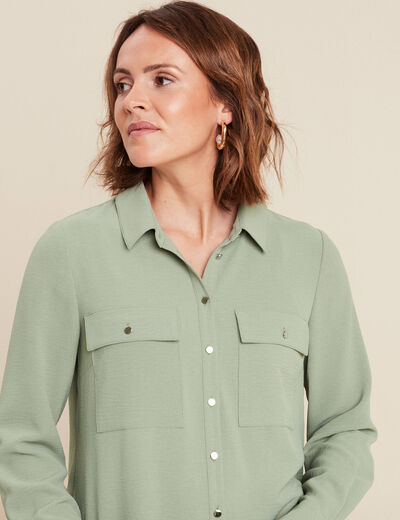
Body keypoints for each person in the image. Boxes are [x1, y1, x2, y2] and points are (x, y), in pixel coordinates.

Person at [0, 1, 377, 520]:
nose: (132, 101)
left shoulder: (309, 258)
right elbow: (21, 441)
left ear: (225, 102)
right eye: (123, 84)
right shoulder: (69, 252)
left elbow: (345, 429)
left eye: (162, 79)